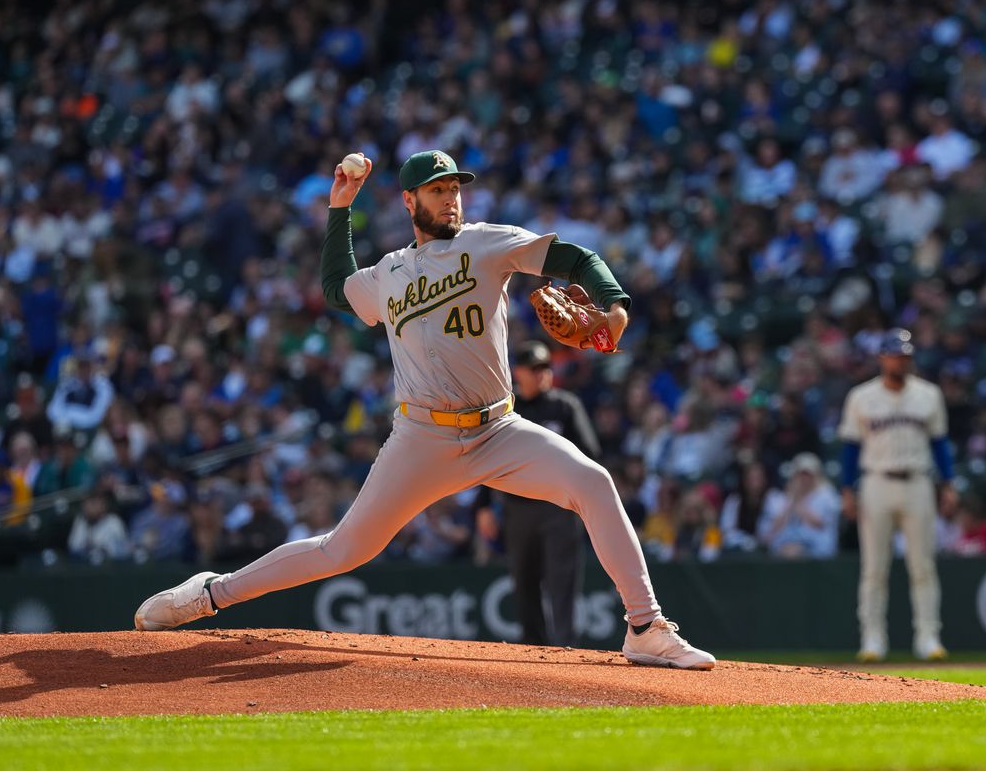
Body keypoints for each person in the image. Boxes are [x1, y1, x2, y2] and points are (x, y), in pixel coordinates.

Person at [133, 150, 714, 670]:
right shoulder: (389, 274)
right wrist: (341, 206)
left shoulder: (487, 243)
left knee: (593, 481)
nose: (451, 198)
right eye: (438, 190)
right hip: (421, 439)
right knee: (342, 550)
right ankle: (211, 593)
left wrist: (612, 306)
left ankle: (646, 628)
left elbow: (575, 257)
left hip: (498, 429)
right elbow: (337, 288)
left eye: (456, 188)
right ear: (410, 200)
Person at [839, 328, 954, 662]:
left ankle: (928, 637)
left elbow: (940, 444)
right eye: (894, 355)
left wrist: (948, 484)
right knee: (874, 568)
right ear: (882, 358)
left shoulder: (928, 395)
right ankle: (872, 640)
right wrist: (848, 489)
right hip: (876, 481)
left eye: (905, 355)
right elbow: (849, 447)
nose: (900, 361)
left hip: (918, 481)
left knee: (923, 566)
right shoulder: (861, 397)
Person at [475, 340, 596, 646]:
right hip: (519, 508)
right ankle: (534, 652)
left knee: (561, 581)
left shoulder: (564, 406)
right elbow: (487, 458)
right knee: (524, 582)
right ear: (519, 372)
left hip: (558, 507)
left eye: (545, 369)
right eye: (534, 369)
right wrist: (485, 505)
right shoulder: (508, 411)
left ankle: (567, 648)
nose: (541, 375)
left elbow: (590, 452)